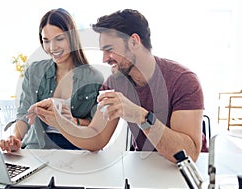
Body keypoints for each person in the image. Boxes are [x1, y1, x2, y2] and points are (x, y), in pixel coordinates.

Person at [27, 9, 205, 163]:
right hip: (143, 167)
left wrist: (142, 117)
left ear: (134, 41)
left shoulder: (183, 81)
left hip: (186, 173)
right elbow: (96, 137)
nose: (105, 59)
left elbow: (189, 153)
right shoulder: (115, 82)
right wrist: (58, 121)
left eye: (109, 49)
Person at [0, 8, 104, 152]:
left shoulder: (93, 77)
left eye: (59, 39)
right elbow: (24, 114)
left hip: (76, 150)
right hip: (38, 147)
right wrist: (15, 139)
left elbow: (96, 127)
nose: (52, 48)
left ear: (72, 39)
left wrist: (72, 122)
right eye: (46, 41)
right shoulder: (35, 71)